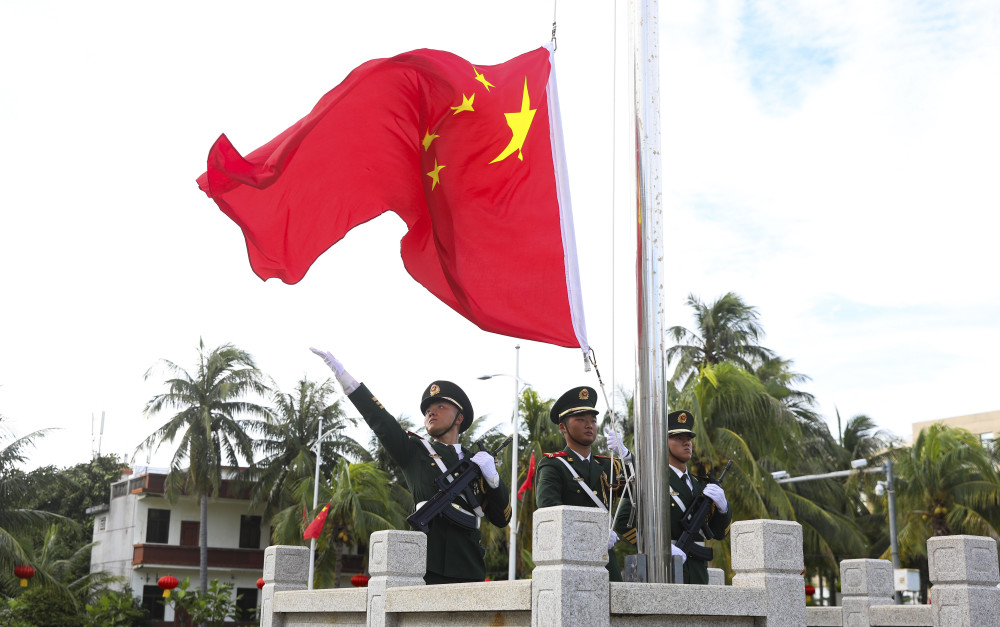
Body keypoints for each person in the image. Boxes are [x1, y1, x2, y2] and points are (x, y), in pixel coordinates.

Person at [311, 348, 511, 584]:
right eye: (427, 410)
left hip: (469, 566)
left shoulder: (477, 464)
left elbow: (501, 518)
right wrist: (346, 379)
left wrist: (493, 480)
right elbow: (381, 421)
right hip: (426, 564)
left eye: (440, 407)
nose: (431, 413)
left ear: (459, 418)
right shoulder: (414, 452)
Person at [615, 409, 731, 584]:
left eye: (689, 439)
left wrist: (723, 510)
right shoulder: (652, 479)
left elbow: (718, 533)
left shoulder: (701, 485)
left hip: (698, 570)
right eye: (678, 438)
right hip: (664, 567)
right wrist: (657, 548)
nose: (687, 444)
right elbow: (623, 520)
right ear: (663, 443)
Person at [534, 385, 631, 581]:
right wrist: (594, 533)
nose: (589, 425)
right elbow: (549, 510)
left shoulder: (608, 466)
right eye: (581, 420)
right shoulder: (554, 465)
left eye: (593, 421)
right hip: (570, 561)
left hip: (605, 561)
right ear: (563, 427)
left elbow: (638, 491)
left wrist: (627, 456)